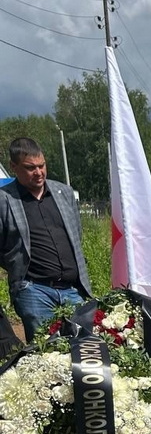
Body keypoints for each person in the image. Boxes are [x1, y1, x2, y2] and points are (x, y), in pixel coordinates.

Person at [0, 137, 91, 341]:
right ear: (13, 167)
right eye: (30, 168)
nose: (38, 172)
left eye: (41, 165)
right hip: (35, 292)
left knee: (83, 349)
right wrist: (18, 268)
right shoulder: (4, 200)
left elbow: (76, 234)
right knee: (45, 353)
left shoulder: (64, 193)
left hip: (73, 290)